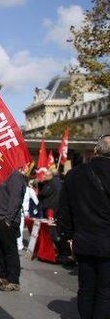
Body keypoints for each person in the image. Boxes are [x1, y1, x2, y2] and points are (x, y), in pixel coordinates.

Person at [57, 134, 110, 319]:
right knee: (105, 292)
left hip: (83, 241)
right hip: (106, 244)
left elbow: (63, 210)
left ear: (96, 150)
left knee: (86, 289)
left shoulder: (75, 174)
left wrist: (67, 238)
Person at [0, 168, 27, 292]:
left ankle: (14, 280)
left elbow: (15, 199)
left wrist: (8, 219)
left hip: (6, 220)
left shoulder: (15, 176)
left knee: (10, 251)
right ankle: (3, 275)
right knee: (0, 251)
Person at [19, 182, 39, 250]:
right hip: (26, 212)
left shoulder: (16, 188)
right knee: (28, 228)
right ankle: (21, 245)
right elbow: (36, 201)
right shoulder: (29, 190)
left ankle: (19, 244)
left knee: (19, 228)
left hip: (18, 210)